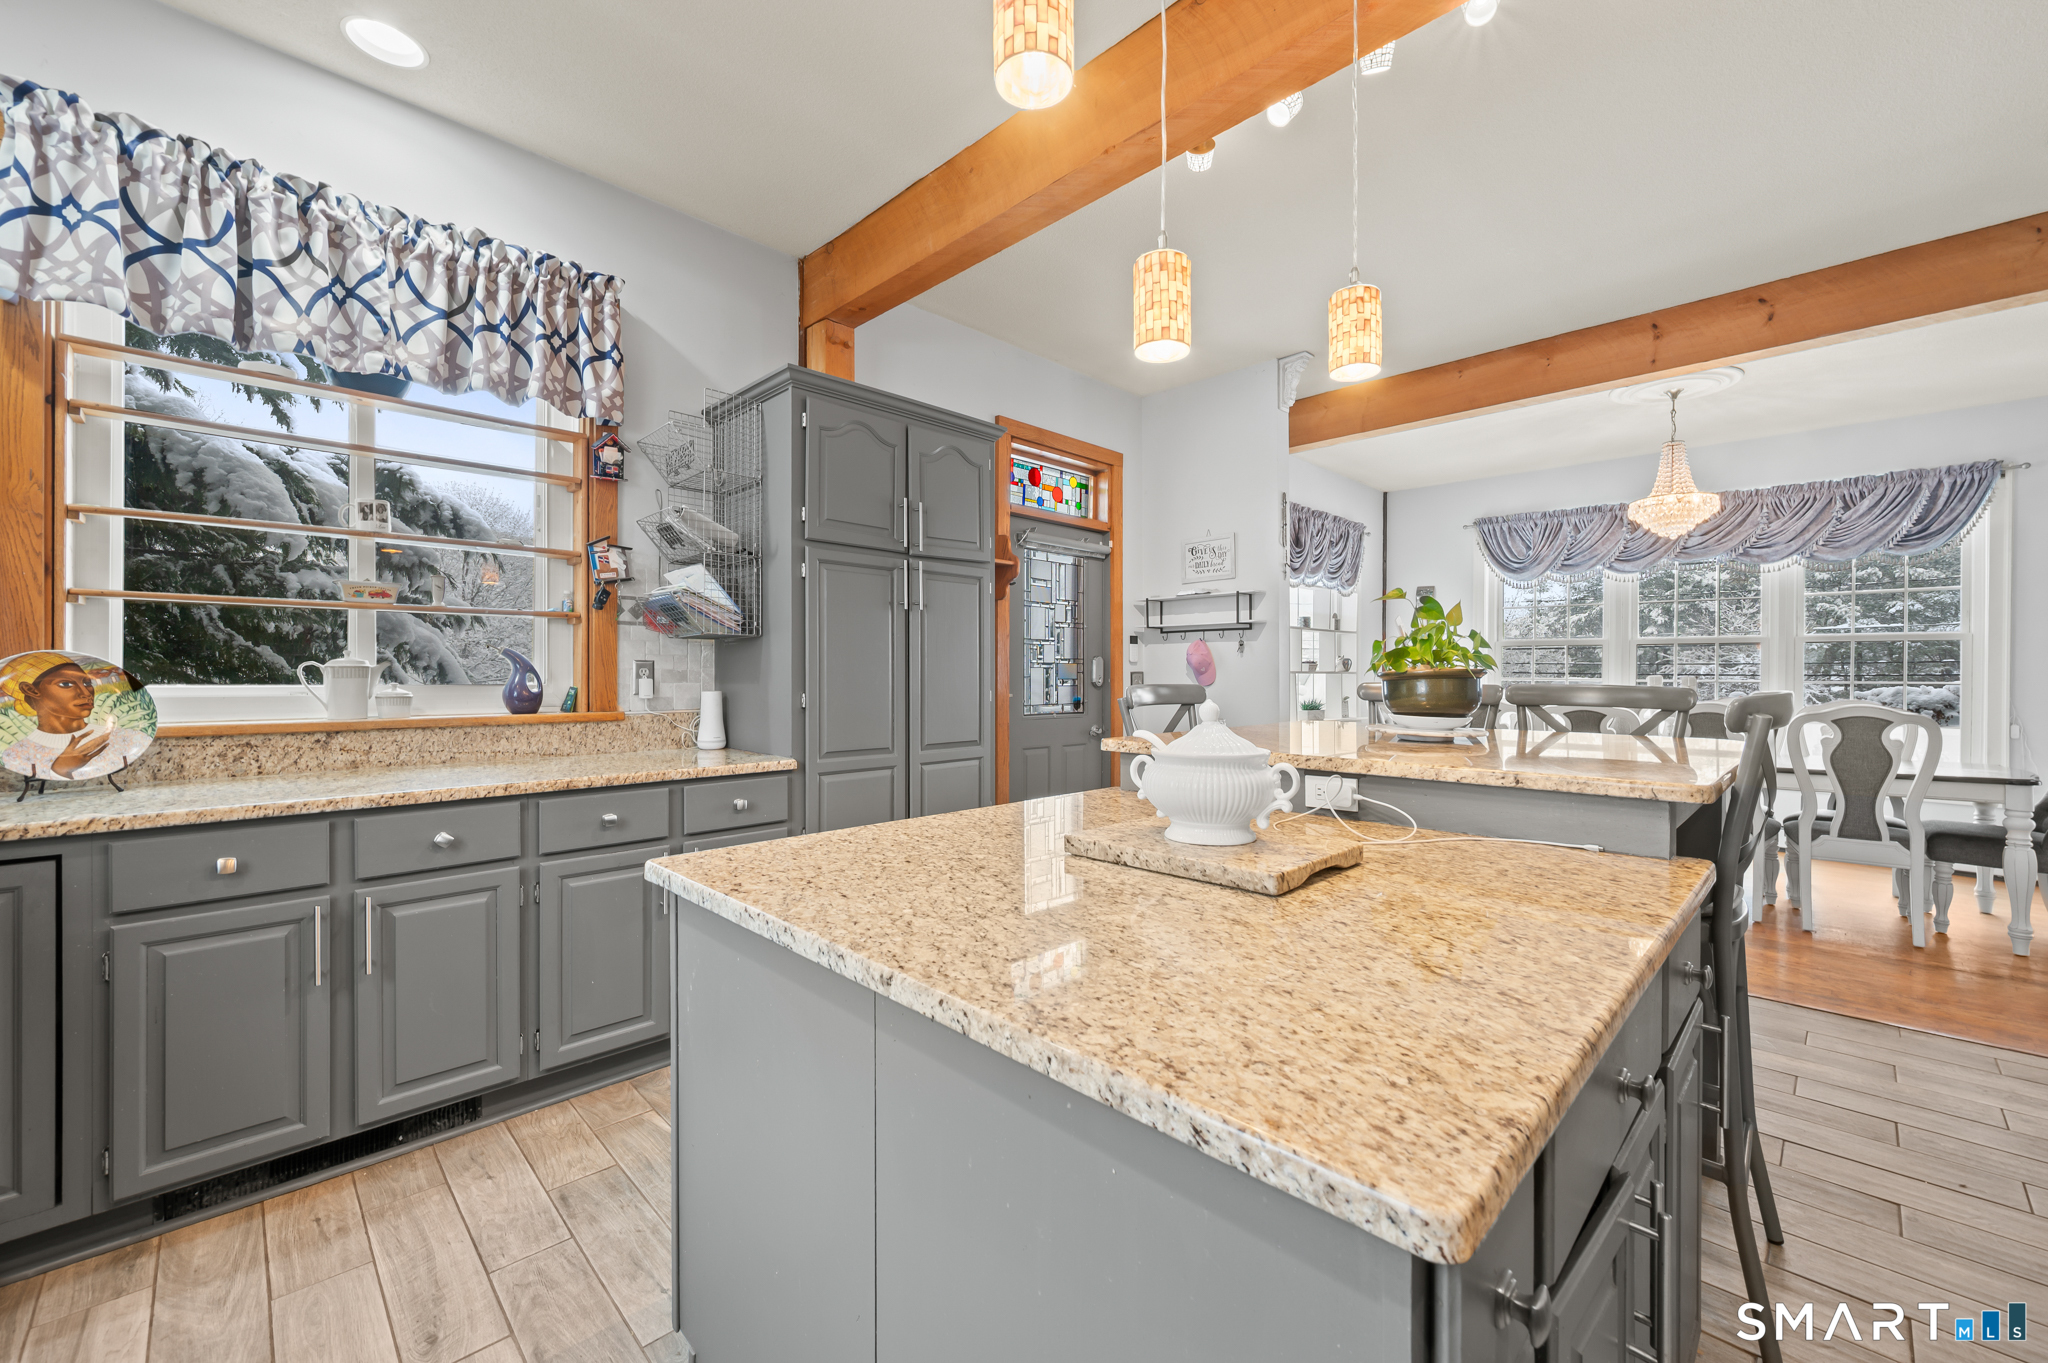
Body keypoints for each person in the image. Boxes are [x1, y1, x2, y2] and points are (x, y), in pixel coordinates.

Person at [1, 655, 151, 781]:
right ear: (31, 690)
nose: (85, 693)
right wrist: (59, 770)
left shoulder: (131, 739)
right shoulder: (16, 753)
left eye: (87, 682)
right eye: (66, 684)